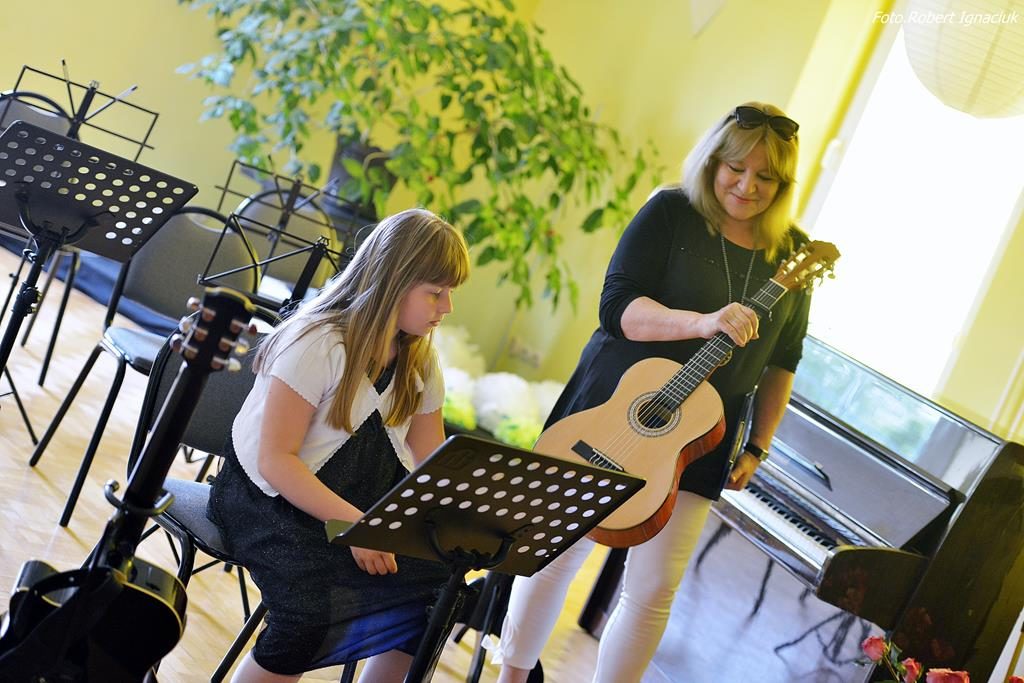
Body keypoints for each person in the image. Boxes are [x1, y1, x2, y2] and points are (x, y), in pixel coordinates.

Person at [493, 102, 812, 683]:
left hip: (702, 434)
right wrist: (702, 322)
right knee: (554, 552)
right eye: (736, 168)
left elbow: (782, 362)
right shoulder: (670, 212)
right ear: (713, 162)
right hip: (611, 407)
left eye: (766, 177)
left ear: (784, 185)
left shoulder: (792, 253)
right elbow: (617, 307)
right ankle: (511, 675)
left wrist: (758, 445)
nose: (748, 186)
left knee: (654, 588)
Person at [207, 208, 470, 682]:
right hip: (271, 501)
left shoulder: (420, 361)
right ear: (393, 281)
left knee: (436, 596)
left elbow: (429, 462)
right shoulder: (318, 342)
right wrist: (357, 526)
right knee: (312, 611)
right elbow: (276, 461)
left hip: (357, 505)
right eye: (436, 292)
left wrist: (463, 519)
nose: (447, 307)